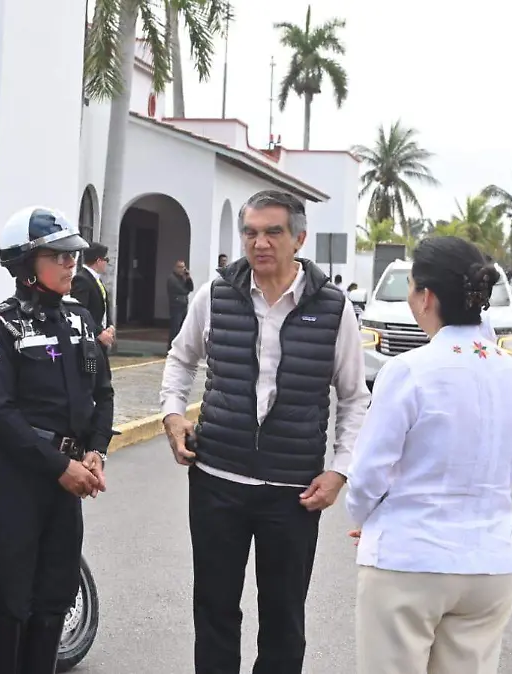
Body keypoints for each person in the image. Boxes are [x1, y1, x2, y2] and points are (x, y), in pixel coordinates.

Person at [159, 189, 370, 674]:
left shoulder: (334, 308)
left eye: (273, 232)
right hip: (217, 480)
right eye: (250, 232)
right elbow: (180, 357)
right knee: (213, 611)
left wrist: (339, 471)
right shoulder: (215, 294)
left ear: (299, 237)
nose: (260, 243)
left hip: (292, 492)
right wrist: (173, 415)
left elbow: (356, 397)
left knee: (283, 619)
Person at [345, 237, 512, 674]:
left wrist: (369, 520)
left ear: (426, 296)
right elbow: (508, 467)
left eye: (411, 287)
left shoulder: (408, 370)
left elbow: (368, 473)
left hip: (410, 561)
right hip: (489, 564)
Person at [0, 206, 114, 674]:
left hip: (67, 479)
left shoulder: (81, 320)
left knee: (56, 593)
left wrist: (95, 450)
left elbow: (104, 393)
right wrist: (59, 467)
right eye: (59, 256)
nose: (72, 263)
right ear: (27, 264)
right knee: (11, 596)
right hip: (18, 476)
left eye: (73, 255)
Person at [70, 242, 115, 347]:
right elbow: (80, 312)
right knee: (92, 363)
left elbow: (104, 305)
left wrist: (110, 325)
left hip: (100, 339)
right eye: (106, 260)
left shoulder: (96, 279)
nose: (107, 263)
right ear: (99, 261)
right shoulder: (82, 280)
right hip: (90, 340)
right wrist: (99, 332)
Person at [167, 259, 194, 348]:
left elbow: (191, 288)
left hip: (183, 305)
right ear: (175, 268)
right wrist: (186, 290)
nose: (181, 269)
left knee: (183, 328)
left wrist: (188, 277)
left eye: (183, 267)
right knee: (175, 328)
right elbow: (183, 290)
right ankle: (171, 347)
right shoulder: (172, 279)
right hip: (176, 306)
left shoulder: (183, 278)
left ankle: (180, 348)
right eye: (179, 267)